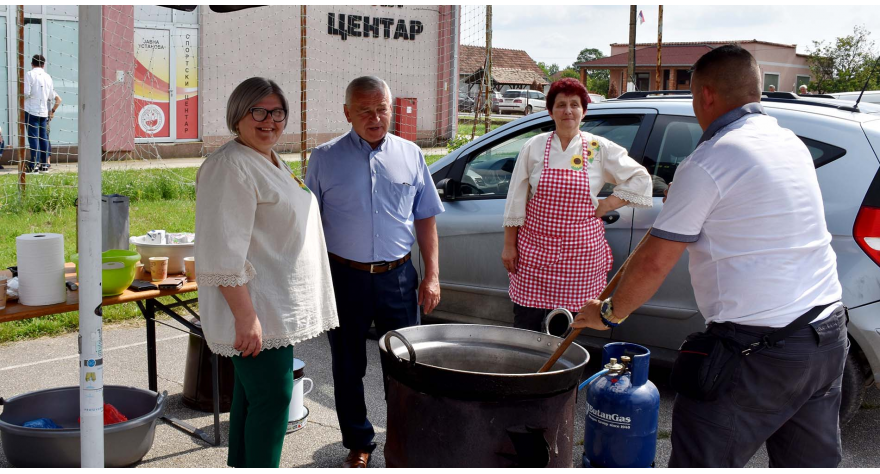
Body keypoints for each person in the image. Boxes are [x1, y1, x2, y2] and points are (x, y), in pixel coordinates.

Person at [573, 45, 846, 468]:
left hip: (758, 353)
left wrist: (609, 313)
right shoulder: (788, 141)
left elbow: (655, 262)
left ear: (705, 95)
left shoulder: (711, 158)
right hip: (825, 338)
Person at [194, 77, 339, 468]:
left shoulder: (268, 158)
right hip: (254, 310)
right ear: (237, 116)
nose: (269, 121)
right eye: (258, 111)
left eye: (277, 112)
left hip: (275, 308)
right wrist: (246, 317)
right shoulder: (229, 167)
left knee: (253, 397)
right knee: (273, 399)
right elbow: (223, 252)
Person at [305, 76, 444, 468]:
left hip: (398, 277)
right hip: (343, 277)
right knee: (347, 367)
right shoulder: (324, 158)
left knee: (404, 365)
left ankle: (402, 439)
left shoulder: (411, 154)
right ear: (347, 112)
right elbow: (308, 225)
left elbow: (426, 219)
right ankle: (359, 442)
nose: (375, 117)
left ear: (391, 109)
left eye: (381, 108)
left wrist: (431, 275)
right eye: (364, 110)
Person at [501, 77, 652, 333]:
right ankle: (527, 371)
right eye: (560, 105)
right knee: (525, 326)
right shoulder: (535, 147)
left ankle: (560, 372)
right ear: (550, 111)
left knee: (566, 332)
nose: (567, 111)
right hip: (534, 254)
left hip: (579, 259)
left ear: (584, 110)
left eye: (574, 104)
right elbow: (516, 197)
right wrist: (509, 246)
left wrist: (607, 205)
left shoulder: (597, 148)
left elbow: (640, 178)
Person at [23, 54, 55, 173]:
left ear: (32, 64)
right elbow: (51, 96)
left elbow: (26, 93)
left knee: (33, 138)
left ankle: (34, 164)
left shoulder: (29, 74)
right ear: (43, 64)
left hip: (31, 110)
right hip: (43, 111)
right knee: (44, 138)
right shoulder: (48, 77)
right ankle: (45, 164)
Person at [43, 92, 62, 172]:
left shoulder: (48, 89)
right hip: (46, 116)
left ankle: (47, 161)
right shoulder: (49, 89)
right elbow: (59, 100)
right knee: (46, 137)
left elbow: (59, 100)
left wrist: (52, 111)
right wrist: (52, 111)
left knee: (45, 137)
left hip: (43, 115)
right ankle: (47, 160)